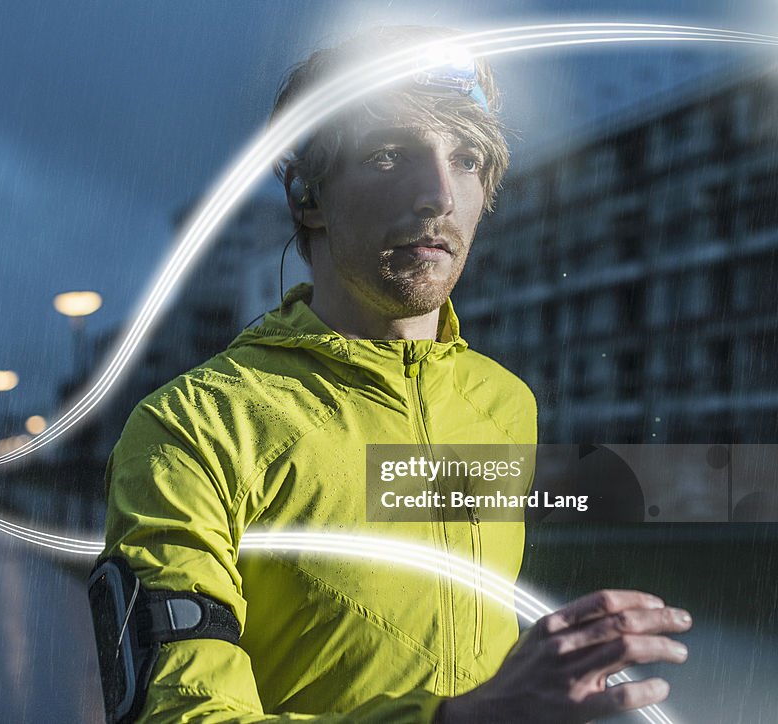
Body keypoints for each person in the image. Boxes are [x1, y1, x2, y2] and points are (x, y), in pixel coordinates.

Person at [95, 26, 691, 723]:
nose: (439, 194)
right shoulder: (190, 430)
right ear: (308, 196)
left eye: (466, 158)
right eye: (387, 155)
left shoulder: (504, 403)